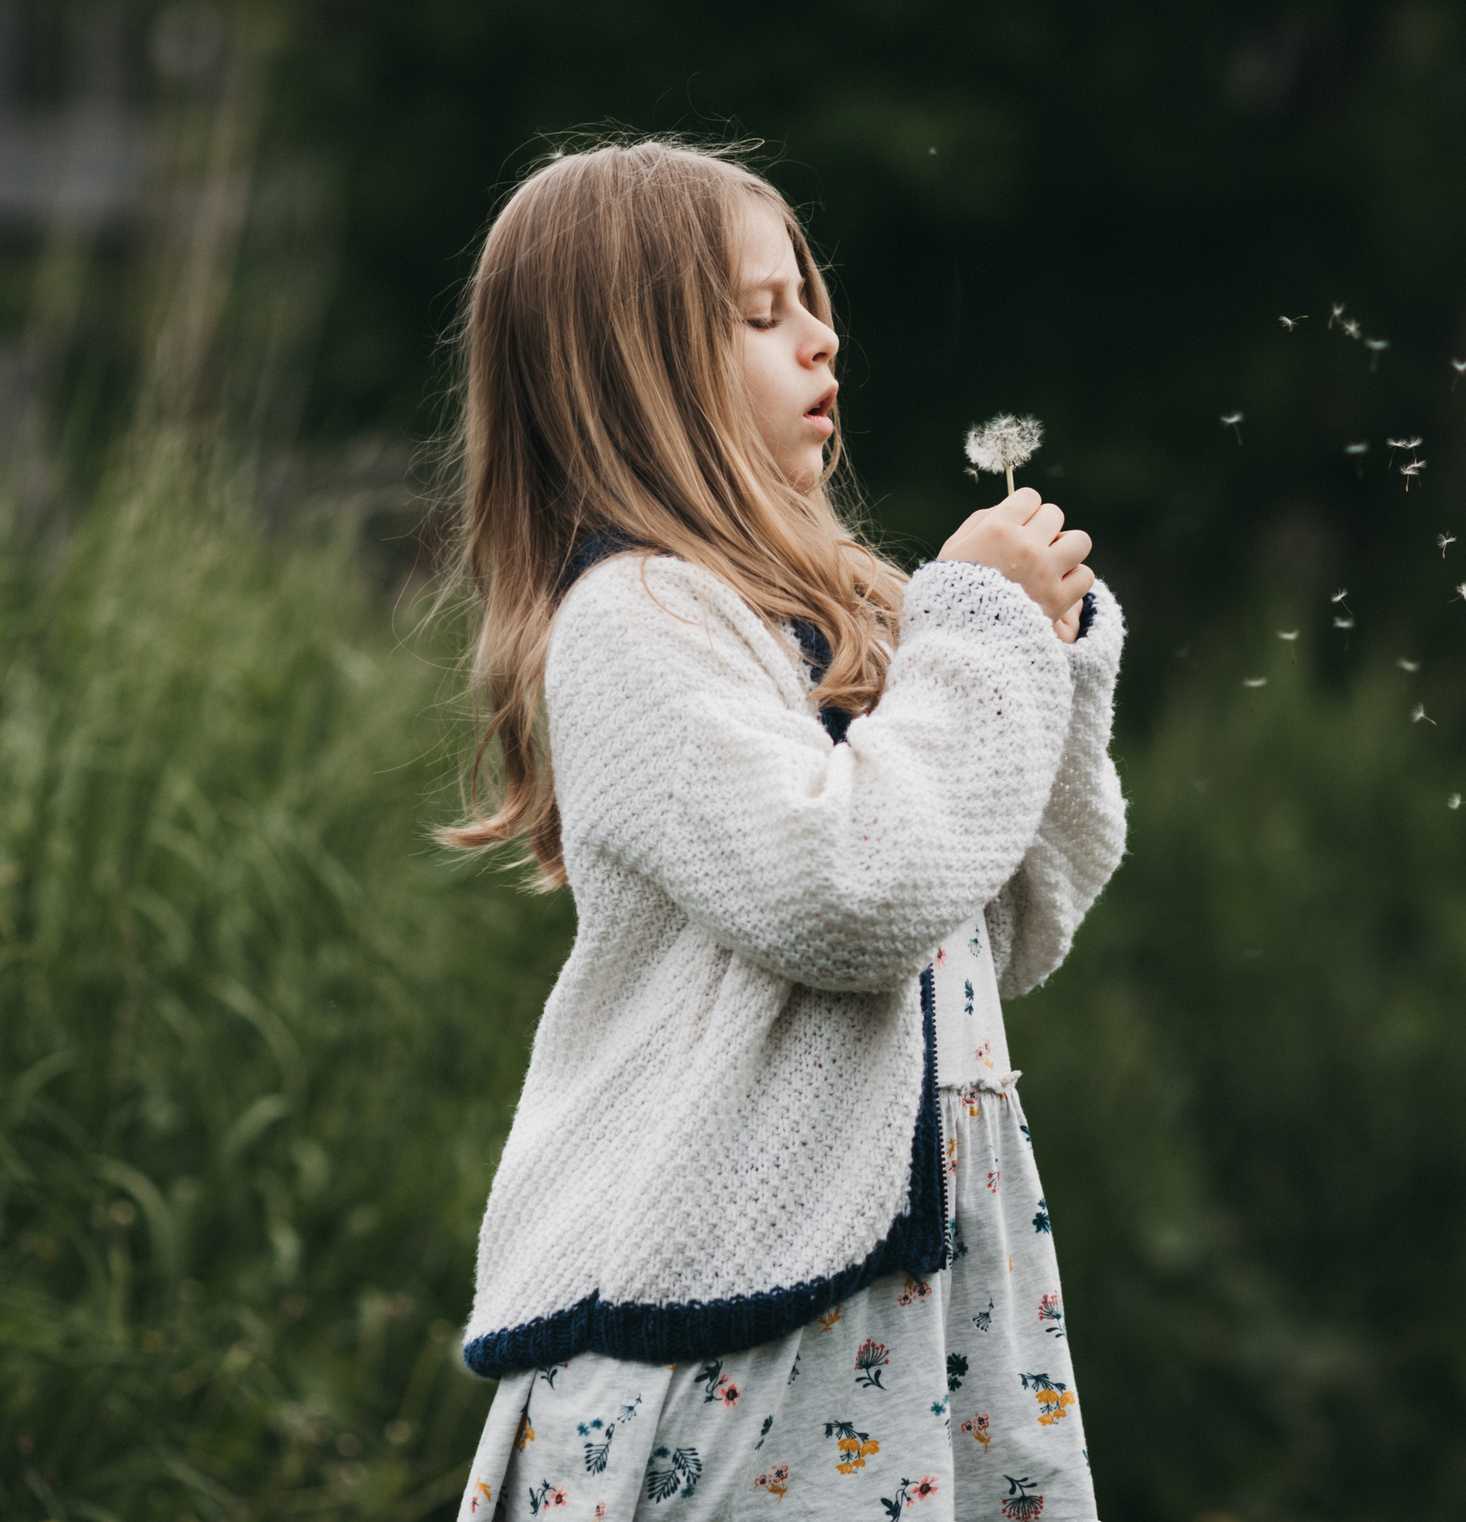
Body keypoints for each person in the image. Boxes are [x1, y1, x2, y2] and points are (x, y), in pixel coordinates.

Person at [439, 140, 1125, 1521]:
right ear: (637, 371)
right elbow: (852, 891)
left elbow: (1007, 918)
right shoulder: (638, 623)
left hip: (915, 1304)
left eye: (811, 301)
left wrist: (1045, 658)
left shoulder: (845, 622)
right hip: (728, 1327)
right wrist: (983, 638)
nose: (822, 337)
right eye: (763, 315)